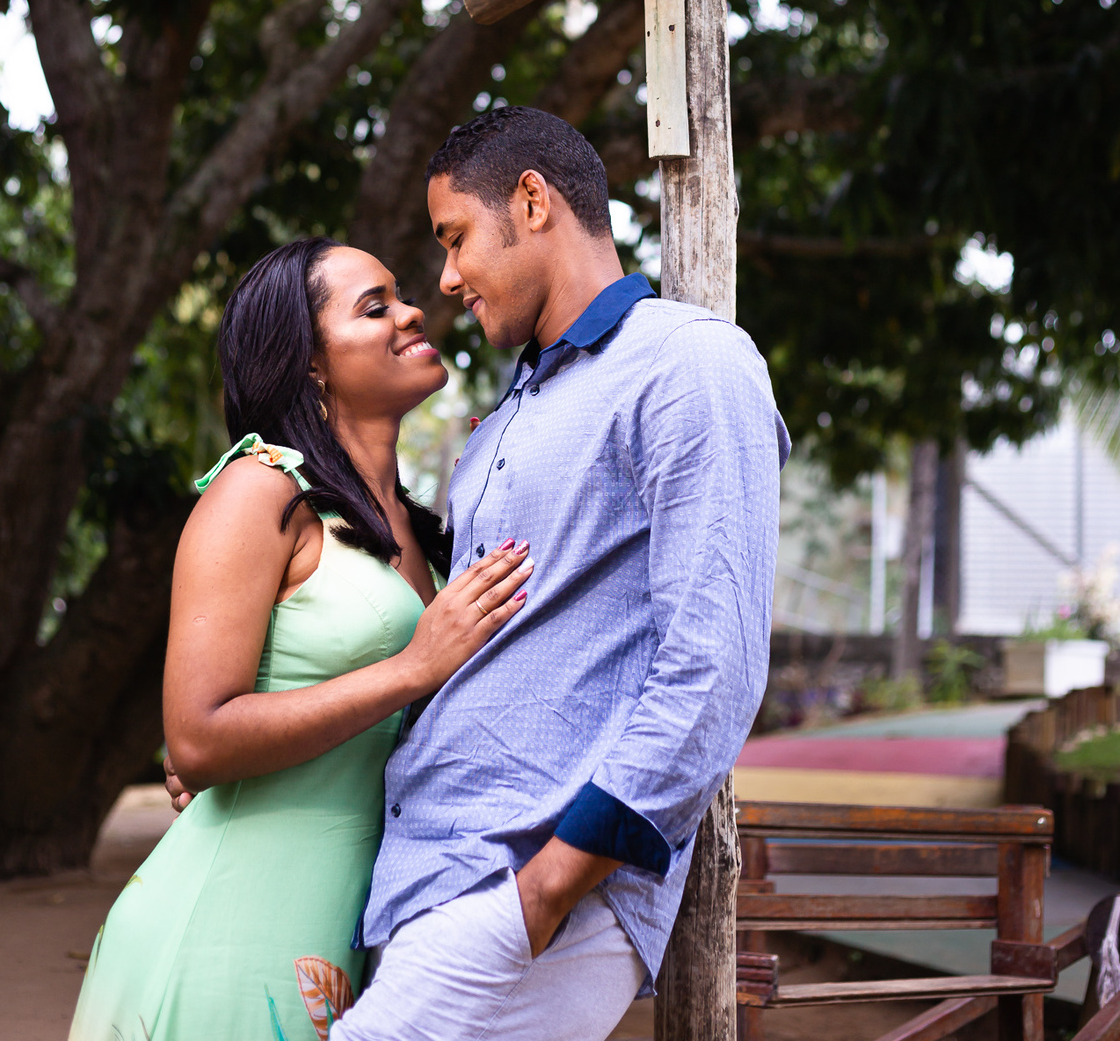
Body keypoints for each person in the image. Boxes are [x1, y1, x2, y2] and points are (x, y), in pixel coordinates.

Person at [327, 105, 791, 1041]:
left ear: (533, 202)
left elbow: (714, 665)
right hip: (428, 876)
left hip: (526, 881)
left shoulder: (687, 363)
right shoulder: (504, 419)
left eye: (455, 237)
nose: (446, 278)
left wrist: (547, 888)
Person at [70, 236, 532, 1041]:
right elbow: (197, 739)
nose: (413, 312)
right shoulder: (261, 492)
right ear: (311, 363)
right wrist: (412, 669)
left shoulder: (424, 531)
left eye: (401, 296)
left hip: (354, 936)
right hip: (229, 930)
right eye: (375, 307)